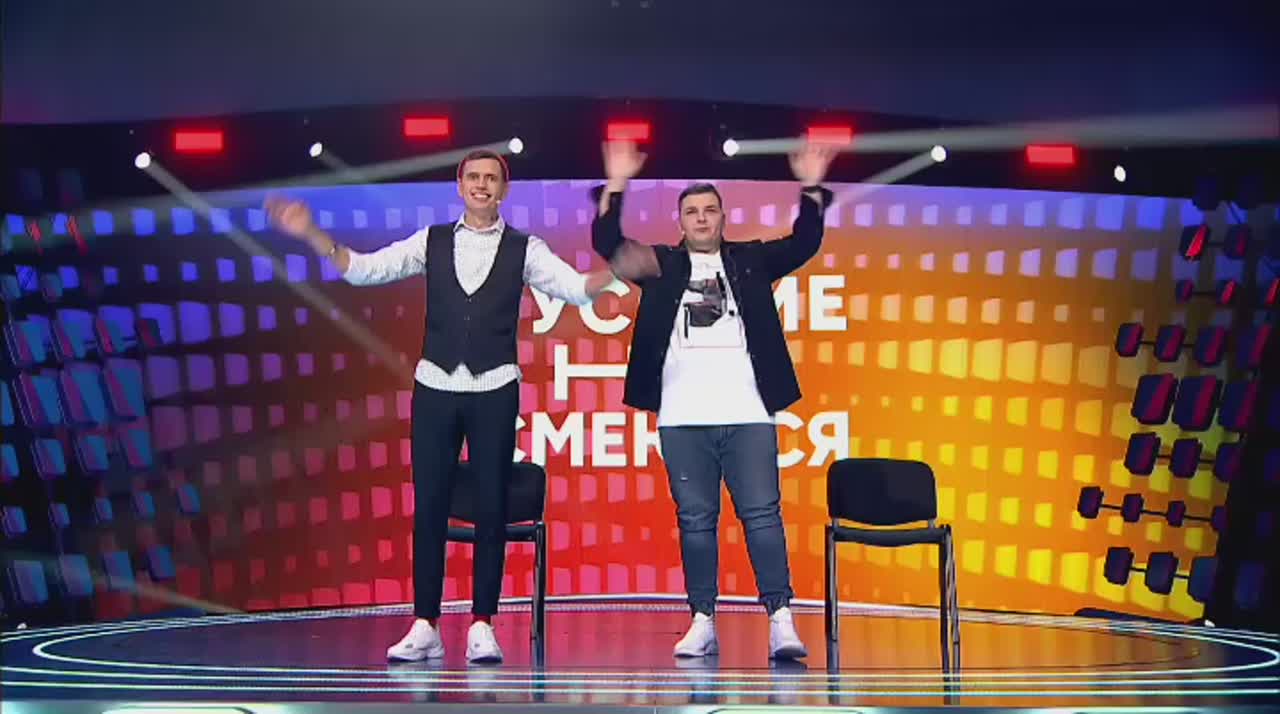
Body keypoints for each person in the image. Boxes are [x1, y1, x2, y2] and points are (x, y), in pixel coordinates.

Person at [266, 149, 619, 663]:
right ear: (460, 185)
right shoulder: (430, 241)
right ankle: (425, 623)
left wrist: (614, 272)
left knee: (492, 506)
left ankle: (482, 624)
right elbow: (363, 271)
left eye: (491, 178)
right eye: (473, 177)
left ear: (503, 190)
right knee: (430, 505)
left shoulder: (525, 248)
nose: (482, 185)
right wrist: (312, 235)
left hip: (495, 387)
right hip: (435, 386)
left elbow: (574, 289)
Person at [591, 139, 837, 659]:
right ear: (680, 223)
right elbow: (608, 243)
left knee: (762, 516)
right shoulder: (660, 265)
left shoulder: (750, 260)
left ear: (723, 217)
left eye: (709, 210)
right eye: (692, 212)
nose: (701, 219)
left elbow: (804, 243)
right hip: (683, 417)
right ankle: (702, 619)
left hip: (747, 412)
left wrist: (811, 185)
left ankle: (781, 620)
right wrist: (616, 184)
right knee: (696, 523)